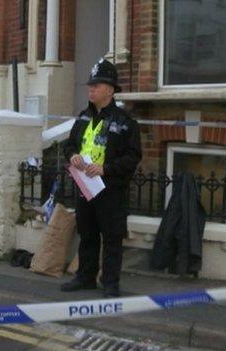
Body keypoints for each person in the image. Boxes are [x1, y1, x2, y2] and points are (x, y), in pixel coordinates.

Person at [61, 59, 142, 297]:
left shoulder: (125, 122)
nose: (91, 89)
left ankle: (110, 283)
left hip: (111, 190)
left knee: (112, 238)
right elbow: (69, 145)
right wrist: (73, 155)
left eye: (96, 85)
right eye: (91, 84)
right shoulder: (84, 117)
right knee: (87, 234)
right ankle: (85, 277)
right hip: (86, 187)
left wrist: (106, 169)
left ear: (110, 89)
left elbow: (133, 156)